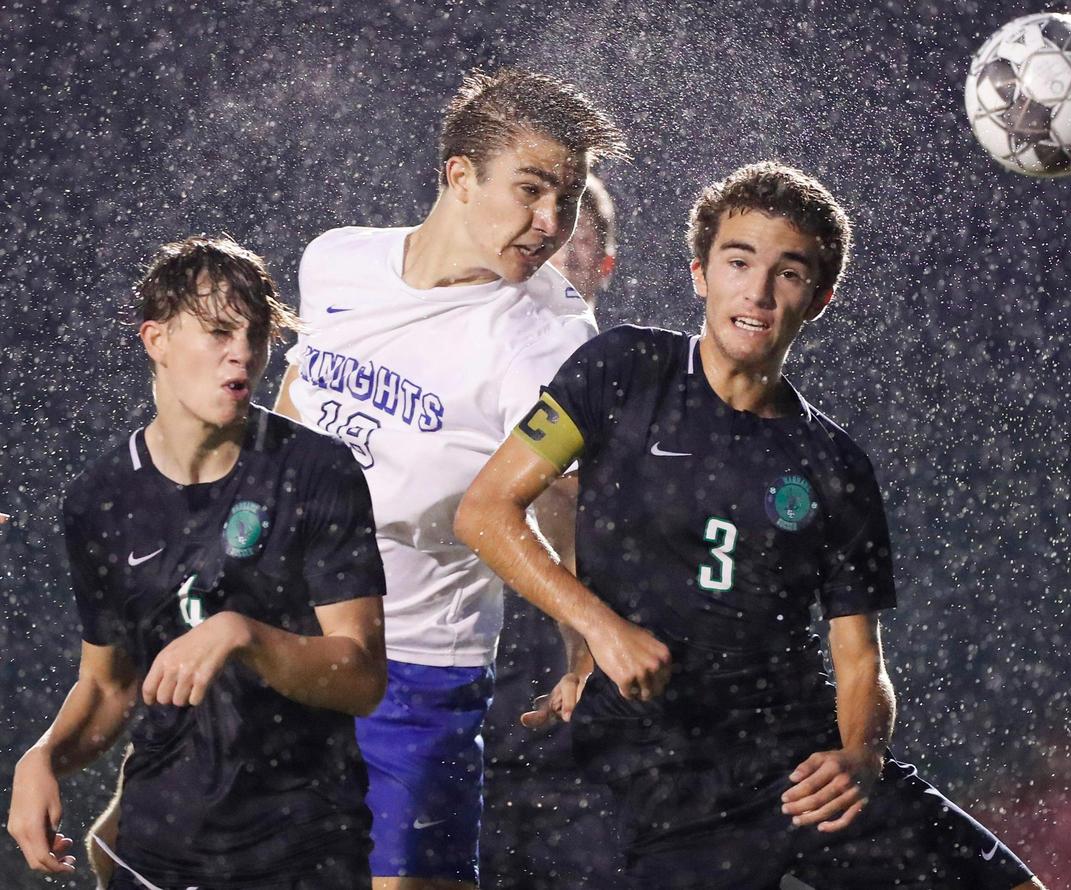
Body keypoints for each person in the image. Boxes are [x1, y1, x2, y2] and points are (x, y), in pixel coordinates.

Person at [455, 162, 1047, 889]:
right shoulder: (622, 369)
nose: (758, 292)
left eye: (788, 273)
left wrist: (862, 756)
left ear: (819, 298)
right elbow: (485, 511)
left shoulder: (835, 465)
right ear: (700, 273)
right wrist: (601, 632)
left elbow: (860, 661)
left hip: (794, 769)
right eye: (738, 261)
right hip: (660, 783)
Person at [274, 68, 629, 890]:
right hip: (285, 641)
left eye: (567, 199)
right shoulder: (337, 262)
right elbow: (290, 411)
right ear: (459, 177)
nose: (549, 223)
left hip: (416, 667)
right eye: (532, 190)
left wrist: (584, 647)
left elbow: (571, 506)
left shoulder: (547, 338)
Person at [7, 235, 387, 889]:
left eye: (256, 332)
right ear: (156, 340)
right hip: (157, 854)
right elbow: (108, 686)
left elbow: (360, 677)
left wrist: (244, 635)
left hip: (304, 851)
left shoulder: (316, 471)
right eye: (216, 331)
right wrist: (45, 757)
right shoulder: (100, 500)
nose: (241, 351)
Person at [481, 173, 627, 889]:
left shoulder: (624, 387)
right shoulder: (477, 368)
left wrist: (587, 654)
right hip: (474, 703)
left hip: (584, 744)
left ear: (602, 265)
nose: (550, 246)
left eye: (572, 239)